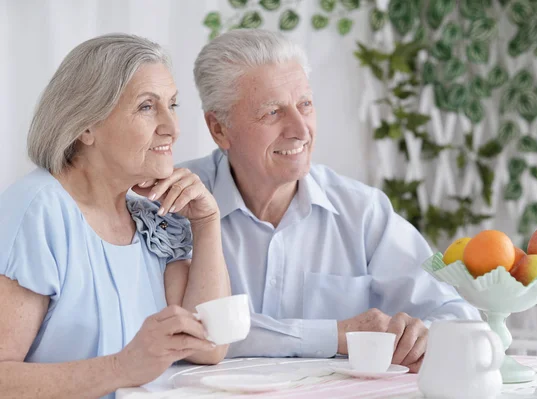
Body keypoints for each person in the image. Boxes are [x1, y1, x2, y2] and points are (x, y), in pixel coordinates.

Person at [180, 29, 480, 373]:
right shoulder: (176, 203)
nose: (300, 129)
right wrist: (335, 334)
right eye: (272, 112)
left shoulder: (361, 211)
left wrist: (423, 334)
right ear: (219, 129)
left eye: (304, 105)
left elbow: (458, 316)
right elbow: (191, 332)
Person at [0, 34, 230, 399]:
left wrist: (206, 223)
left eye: (172, 104)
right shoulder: (39, 212)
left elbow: (207, 346)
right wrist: (122, 368)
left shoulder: (153, 218)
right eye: (146, 107)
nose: (172, 126)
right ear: (86, 126)